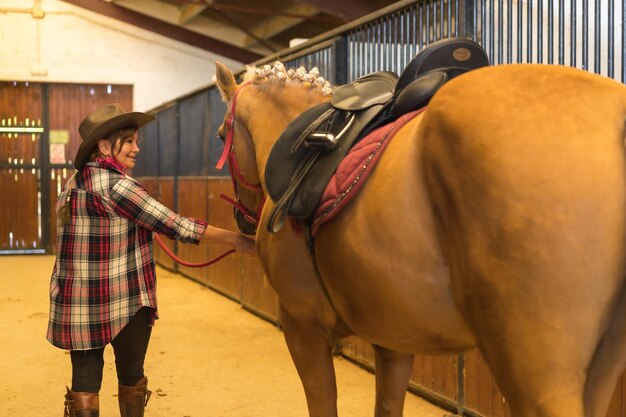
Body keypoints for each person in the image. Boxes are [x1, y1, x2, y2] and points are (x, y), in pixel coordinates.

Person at [47, 103, 255, 417]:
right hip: (126, 302)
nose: (136, 148)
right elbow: (177, 225)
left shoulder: (71, 186)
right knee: (131, 375)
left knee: (85, 382)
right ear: (105, 146)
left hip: (77, 306)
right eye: (128, 141)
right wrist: (236, 239)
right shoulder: (119, 187)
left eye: (135, 140)